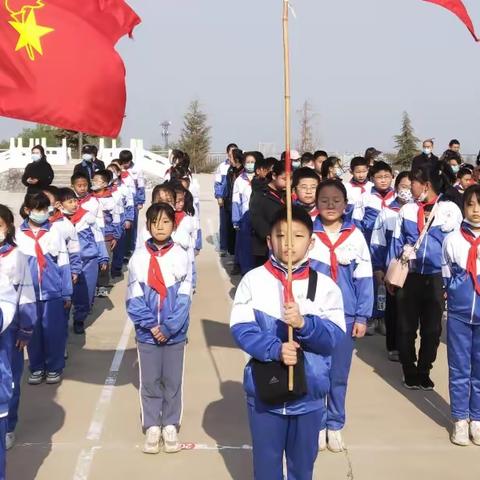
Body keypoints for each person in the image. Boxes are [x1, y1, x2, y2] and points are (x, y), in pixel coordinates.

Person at [230, 206, 346, 480]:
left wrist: (305, 325)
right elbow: (241, 328)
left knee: (302, 468)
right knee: (266, 466)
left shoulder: (327, 286)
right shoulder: (253, 281)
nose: (289, 243)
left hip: (310, 397)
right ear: (269, 241)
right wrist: (275, 349)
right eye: (281, 236)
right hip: (265, 394)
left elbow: (334, 337)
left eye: (298, 235)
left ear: (312, 241)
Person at [309, 180, 373, 452]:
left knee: (338, 374)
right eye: (324, 200)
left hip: (344, 317)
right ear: (316, 203)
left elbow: (365, 278)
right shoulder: (306, 233)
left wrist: (361, 316)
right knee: (313, 373)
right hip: (313, 316)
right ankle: (315, 424)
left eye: (336, 200)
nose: (330, 205)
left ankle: (334, 424)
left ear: (345, 204)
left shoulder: (355, 236)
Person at [387, 163, 463, 390]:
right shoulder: (407, 210)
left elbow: (457, 247)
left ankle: (424, 370)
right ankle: (408, 369)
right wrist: (390, 276)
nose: (410, 188)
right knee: (406, 327)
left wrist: (454, 281)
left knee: (432, 329)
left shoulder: (450, 210)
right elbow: (396, 242)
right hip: (409, 276)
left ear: (426, 185)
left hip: (438, 277)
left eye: (413, 184)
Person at [126, 203, 191, 455]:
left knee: (172, 380)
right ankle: (152, 424)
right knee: (150, 381)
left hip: (175, 334)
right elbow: (133, 297)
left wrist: (169, 326)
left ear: (173, 225)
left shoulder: (181, 256)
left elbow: (185, 297)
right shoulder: (139, 258)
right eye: (155, 222)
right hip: (147, 334)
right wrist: (152, 325)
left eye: (165, 222)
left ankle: (171, 423)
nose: (160, 227)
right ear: (148, 226)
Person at [16, 191, 72, 385]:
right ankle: (37, 366)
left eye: (44, 209)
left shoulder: (54, 231)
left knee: (53, 331)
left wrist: (66, 291)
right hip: (28, 295)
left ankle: (54, 367)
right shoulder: (18, 236)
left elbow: (63, 262)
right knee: (33, 332)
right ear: (27, 210)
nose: (42, 213)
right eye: (37, 209)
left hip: (52, 292)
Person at [442, 184, 480, 447]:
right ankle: (459, 419)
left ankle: (477, 418)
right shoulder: (452, 239)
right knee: (459, 369)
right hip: (458, 315)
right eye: (471, 204)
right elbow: (446, 275)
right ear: (463, 207)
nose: (476, 210)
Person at [0, 205, 36, 451]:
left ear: (8, 227)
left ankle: (8, 426)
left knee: (9, 378)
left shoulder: (17, 256)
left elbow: (26, 293)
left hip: (9, 330)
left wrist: (26, 327)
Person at [370, 172, 412, 361]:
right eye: (404, 186)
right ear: (397, 188)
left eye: (411, 187)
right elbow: (377, 242)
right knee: (393, 308)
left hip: (414, 270)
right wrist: (378, 267)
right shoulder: (387, 213)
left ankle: (408, 347)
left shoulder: (419, 212)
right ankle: (393, 346)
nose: (408, 191)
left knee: (410, 312)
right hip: (392, 268)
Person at [58, 188, 108, 335]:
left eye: (75, 201)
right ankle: (63, 325)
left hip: (88, 261)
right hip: (67, 264)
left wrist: (103, 256)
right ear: (60, 205)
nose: (74, 204)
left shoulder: (87, 217)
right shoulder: (57, 222)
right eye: (70, 201)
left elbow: (98, 238)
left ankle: (79, 319)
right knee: (65, 296)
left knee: (85, 294)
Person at [353, 161, 395, 335]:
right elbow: (356, 222)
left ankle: (386, 317)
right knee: (372, 282)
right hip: (370, 248)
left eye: (386, 176)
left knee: (390, 282)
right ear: (372, 179)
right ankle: (371, 316)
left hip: (392, 248)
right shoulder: (365, 198)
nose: (383, 181)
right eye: (379, 177)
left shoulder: (398, 197)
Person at [250, 160, 287, 267]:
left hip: (284, 246)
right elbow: (257, 221)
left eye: (291, 179)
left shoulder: (287, 195)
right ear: (274, 176)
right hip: (265, 248)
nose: (288, 182)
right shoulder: (261, 194)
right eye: (284, 179)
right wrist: (274, 236)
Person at [91, 170, 121, 298]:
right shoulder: (89, 198)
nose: (94, 183)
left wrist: (115, 235)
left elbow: (116, 219)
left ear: (104, 183)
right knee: (93, 263)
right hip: (91, 236)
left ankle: (102, 286)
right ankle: (92, 286)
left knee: (104, 262)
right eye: (93, 180)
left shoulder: (110, 199)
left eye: (97, 181)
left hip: (106, 236)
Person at [107, 163, 135, 278]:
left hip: (121, 220)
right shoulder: (104, 190)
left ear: (118, 173)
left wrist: (129, 219)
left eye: (112, 171)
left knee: (119, 245)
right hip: (108, 222)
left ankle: (116, 268)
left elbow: (129, 205)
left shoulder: (124, 189)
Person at [118, 150, 145, 257]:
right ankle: (122, 250)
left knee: (132, 226)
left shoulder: (137, 170)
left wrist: (140, 201)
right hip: (120, 201)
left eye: (127, 162)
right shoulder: (118, 169)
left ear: (130, 160)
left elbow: (141, 186)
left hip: (133, 201)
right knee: (121, 225)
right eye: (123, 162)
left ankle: (131, 250)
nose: (125, 164)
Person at [232, 152, 255, 275]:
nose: (250, 164)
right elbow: (236, 201)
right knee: (245, 247)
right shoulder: (239, 180)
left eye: (252, 162)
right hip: (244, 218)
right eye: (248, 162)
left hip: (258, 217)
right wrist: (236, 219)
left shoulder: (260, 178)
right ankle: (245, 272)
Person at [214, 143, 238, 256]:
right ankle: (224, 247)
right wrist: (219, 196)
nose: (232, 155)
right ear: (227, 153)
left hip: (235, 200)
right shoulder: (222, 166)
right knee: (224, 224)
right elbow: (218, 183)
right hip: (225, 199)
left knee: (234, 224)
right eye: (230, 153)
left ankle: (233, 249)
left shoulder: (238, 166)